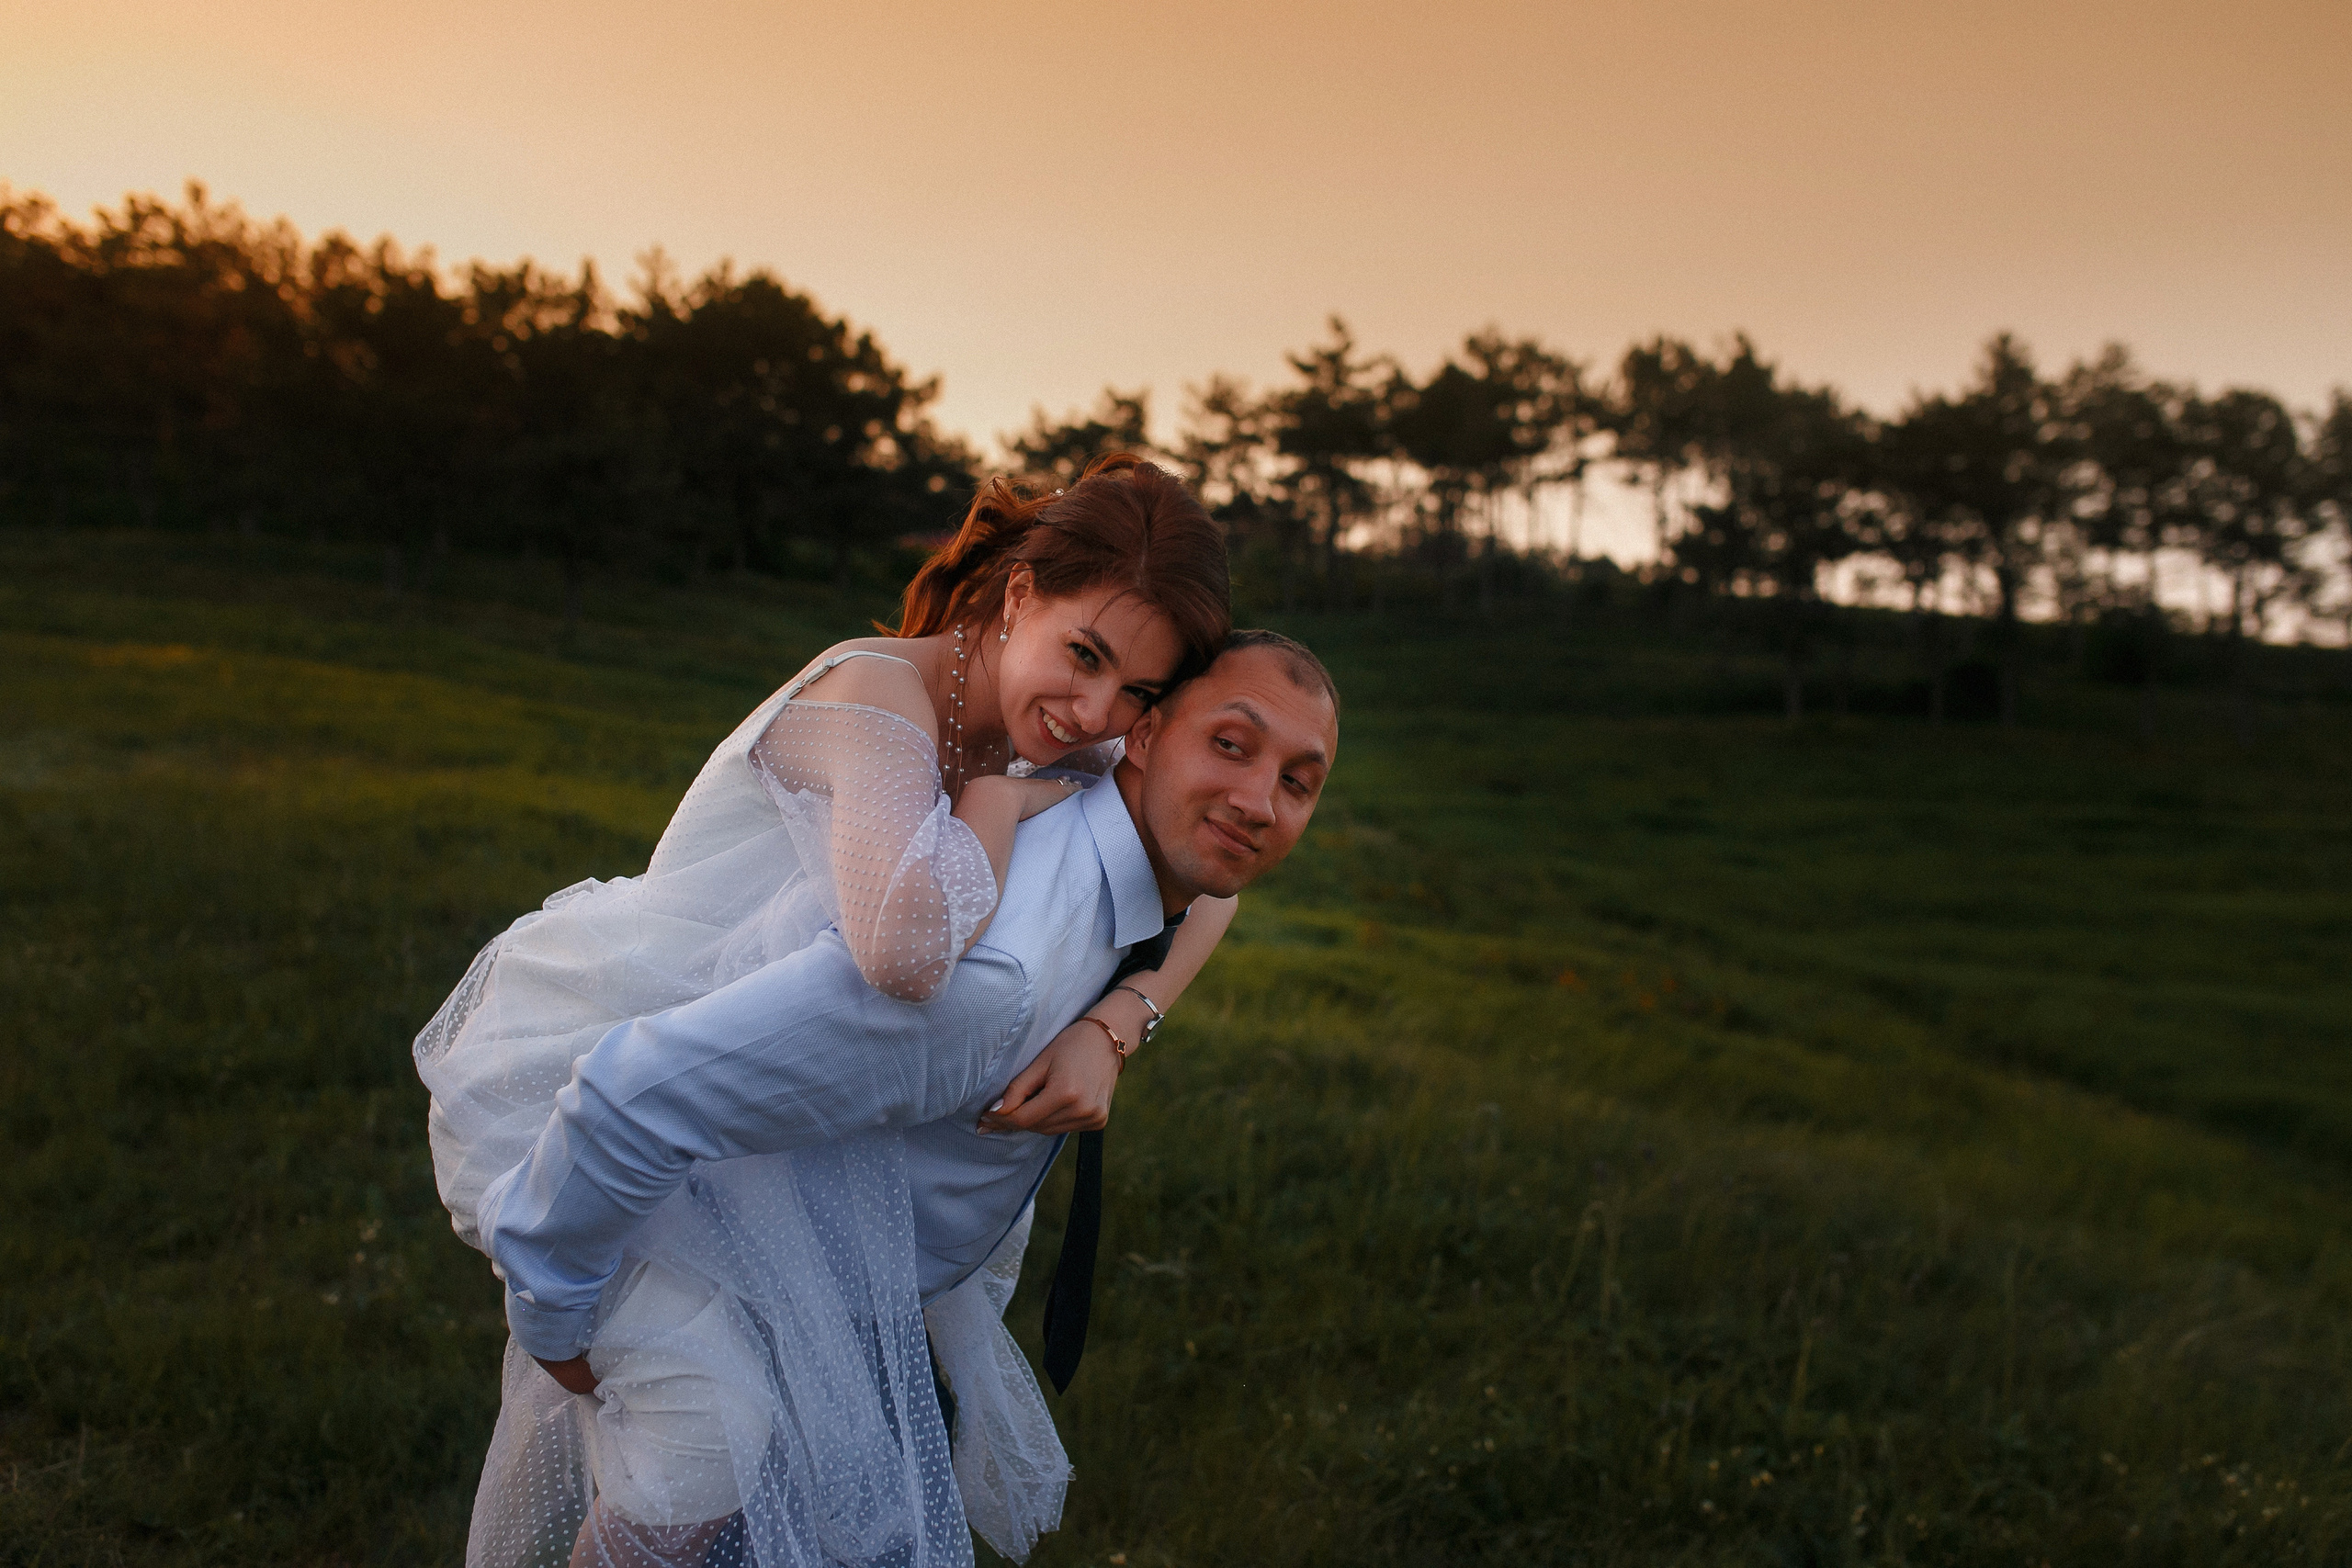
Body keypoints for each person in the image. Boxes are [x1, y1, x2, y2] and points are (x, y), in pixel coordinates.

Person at [413, 457, 1236, 1563]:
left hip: (773, 1131)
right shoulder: (874, 698)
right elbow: (902, 950)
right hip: (610, 1063)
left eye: (1136, 694)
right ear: (1021, 594)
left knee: (759, 1480)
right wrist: (989, 810)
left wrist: (1119, 1020)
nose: (1094, 712)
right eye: (1084, 654)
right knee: (704, 1439)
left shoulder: (1066, 735)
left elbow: (1203, 874)